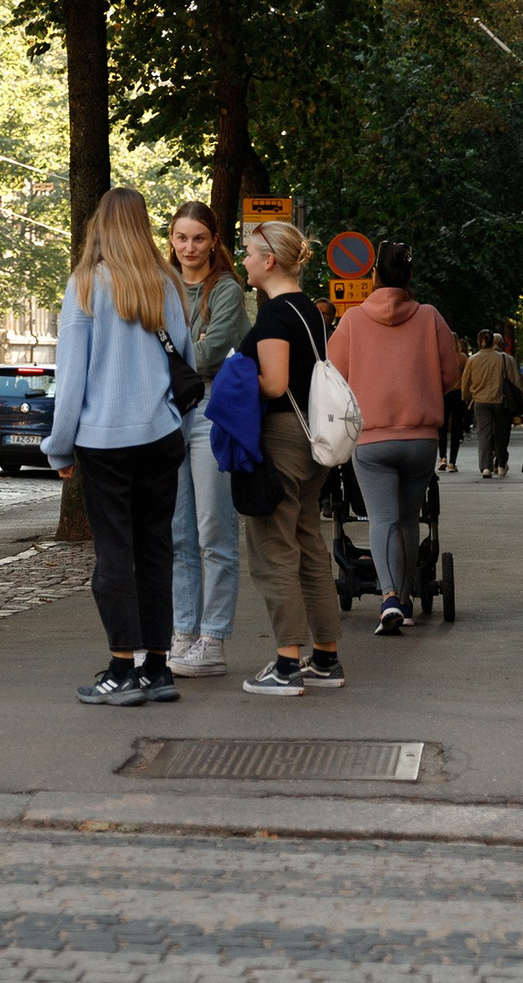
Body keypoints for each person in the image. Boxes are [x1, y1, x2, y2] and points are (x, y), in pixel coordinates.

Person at [43, 187, 192, 708]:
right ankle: (158, 667)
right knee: (156, 551)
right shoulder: (167, 284)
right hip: (160, 435)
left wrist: (59, 449)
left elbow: (73, 377)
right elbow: (185, 365)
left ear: (99, 226)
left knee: (114, 554)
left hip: (104, 441)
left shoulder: (85, 286)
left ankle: (120, 669)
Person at [232, 222, 344, 696]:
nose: (244, 261)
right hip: (313, 440)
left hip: (280, 440)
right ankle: (326, 657)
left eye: (250, 253)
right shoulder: (309, 311)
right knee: (309, 547)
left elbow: (274, 384)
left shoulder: (276, 314)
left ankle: (285, 664)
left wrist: (232, 382)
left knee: (273, 549)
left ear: (269, 261)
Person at [326, 243, 461, 636]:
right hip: (420, 438)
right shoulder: (431, 318)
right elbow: (451, 375)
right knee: (407, 518)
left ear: (374, 277)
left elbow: (333, 377)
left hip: (372, 440)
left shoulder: (351, 321)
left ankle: (388, 599)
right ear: (409, 279)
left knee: (382, 519)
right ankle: (404, 600)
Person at [165, 201, 246, 678]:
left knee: (214, 532)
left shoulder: (227, 289)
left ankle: (212, 639)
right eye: (181, 238)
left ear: (214, 240)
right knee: (178, 535)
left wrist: (166, 352)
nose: (189, 248)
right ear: (170, 240)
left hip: (209, 410)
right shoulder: (164, 285)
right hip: (167, 411)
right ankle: (183, 632)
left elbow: (211, 353)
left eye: (198, 238)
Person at [459, 330, 523, 479]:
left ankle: (485, 468)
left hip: (480, 402)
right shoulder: (504, 359)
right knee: (501, 434)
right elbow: (516, 382)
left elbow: (466, 381)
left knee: (484, 434)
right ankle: (501, 464)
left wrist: (466, 397)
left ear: (479, 341)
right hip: (500, 400)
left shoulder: (473, 360)